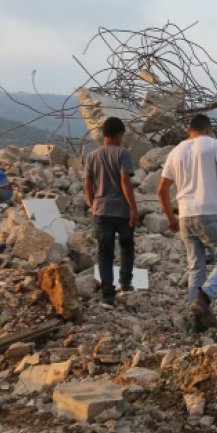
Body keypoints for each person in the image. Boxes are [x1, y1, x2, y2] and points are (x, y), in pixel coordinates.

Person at [158, 114, 217, 331]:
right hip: (209, 211)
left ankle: (196, 322)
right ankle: (204, 297)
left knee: (195, 266)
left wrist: (170, 218)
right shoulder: (213, 144)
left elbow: (162, 189)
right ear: (207, 128)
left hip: (185, 215)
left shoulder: (175, 151)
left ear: (189, 130)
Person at [84, 117, 139, 306]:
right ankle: (125, 284)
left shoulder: (92, 156)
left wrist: (93, 205)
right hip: (122, 210)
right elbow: (125, 181)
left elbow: (88, 184)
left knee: (104, 252)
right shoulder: (123, 154)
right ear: (119, 134)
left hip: (101, 210)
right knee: (126, 245)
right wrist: (133, 207)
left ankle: (108, 294)